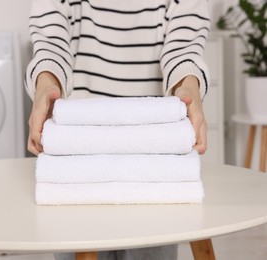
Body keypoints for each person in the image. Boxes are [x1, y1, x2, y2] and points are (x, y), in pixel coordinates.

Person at [25, 0, 210, 259]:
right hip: (78, 161)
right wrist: (46, 83)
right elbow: (51, 40)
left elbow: (184, 47)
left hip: (154, 164)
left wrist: (188, 87)